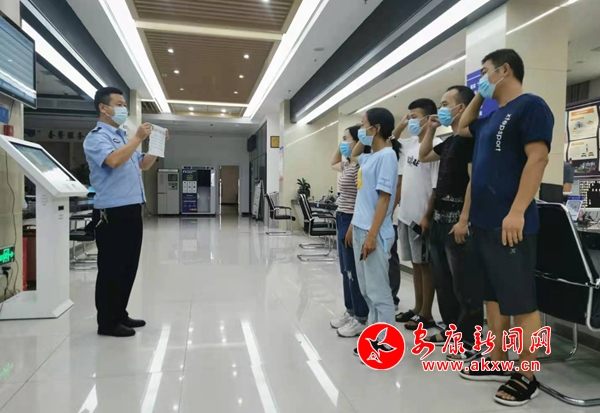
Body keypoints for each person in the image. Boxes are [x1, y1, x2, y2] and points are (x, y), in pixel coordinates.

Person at [457, 49, 553, 407]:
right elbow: (461, 127)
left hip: (510, 222)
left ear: (505, 70)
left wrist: (517, 210)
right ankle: (497, 357)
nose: (480, 79)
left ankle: (527, 374)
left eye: (485, 72)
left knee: (521, 300)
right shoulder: (490, 117)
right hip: (483, 222)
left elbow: (538, 158)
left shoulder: (531, 106)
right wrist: (480, 94)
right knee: (493, 296)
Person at [84, 87, 168, 337]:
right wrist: (137, 139)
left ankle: (119, 313)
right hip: (111, 212)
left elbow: (144, 164)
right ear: (104, 108)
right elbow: (113, 161)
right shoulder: (96, 138)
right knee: (111, 268)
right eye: (119, 104)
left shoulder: (122, 138)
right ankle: (107, 323)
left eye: (124, 105)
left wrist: (156, 145)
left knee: (128, 266)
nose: (123, 109)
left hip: (132, 209)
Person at [417, 86, 483, 358]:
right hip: (439, 220)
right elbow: (423, 156)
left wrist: (464, 219)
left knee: (464, 285)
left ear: (461, 108)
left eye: (446, 104)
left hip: (457, 220)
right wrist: (431, 129)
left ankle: (470, 340)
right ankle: (452, 330)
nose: (441, 109)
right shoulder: (451, 141)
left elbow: (473, 182)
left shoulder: (471, 141)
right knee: (443, 282)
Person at [349, 107, 400, 356]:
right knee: (367, 290)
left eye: (363, 124)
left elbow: (384, 199)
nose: (360, 130)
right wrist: (353, 226)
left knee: (379, 292)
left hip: (375, 233)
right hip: (360, 228)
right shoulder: (370, 156)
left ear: (376, 128)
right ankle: (374, 338)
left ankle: (387, 346)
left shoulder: (388, 157)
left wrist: (371, 235)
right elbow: (353, 156)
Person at [392, 99, 439, 331]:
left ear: (428, 118)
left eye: (414, 116)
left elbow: (436, 187)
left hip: (421, 217)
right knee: (415, 265)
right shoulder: (410, 144)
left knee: (425, 266)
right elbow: (390, 140)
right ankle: (418, 307)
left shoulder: (436, 146)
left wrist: (427, 216)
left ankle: (426, 314)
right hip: (406, 216)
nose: (410, 120)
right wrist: (402, 124)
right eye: (408, 116)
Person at [330, 126, 369, 338]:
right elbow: (333, 162)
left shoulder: (361, 164)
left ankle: (361, 317)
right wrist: (342, 144)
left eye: (346, 139)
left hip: (352, 219)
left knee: (353, 271)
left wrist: (354, 224)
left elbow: (362, 197)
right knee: (345, 270)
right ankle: (350, 310)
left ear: (358, 141)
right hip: (342, 216)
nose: (343, 142)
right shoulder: (348, 165)